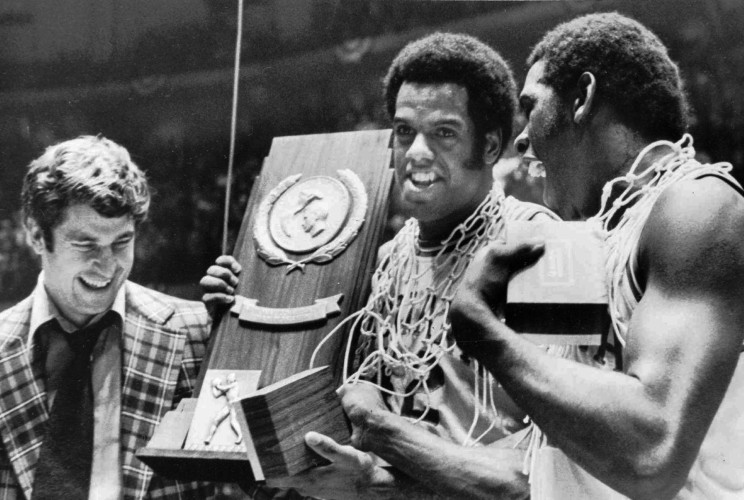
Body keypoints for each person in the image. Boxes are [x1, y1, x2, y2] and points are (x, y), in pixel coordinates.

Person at [203, 32, 562, 499]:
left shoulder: (537, 248)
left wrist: (375, 475)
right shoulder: (391, 258)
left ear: (491, 146)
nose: (415, 152)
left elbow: (552, 470)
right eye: (405, 130)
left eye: (444, 133)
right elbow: (349, 428)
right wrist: (235, 332)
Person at [449, 12, 744, 499]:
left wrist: (482, 333)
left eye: (531, 106)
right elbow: (540, 466)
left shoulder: (697, 208)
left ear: (582, 98)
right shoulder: (602, 233)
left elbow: (651, 455)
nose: (522, 138)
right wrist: (378, 463)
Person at [0, 136, 216, 499]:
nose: (108, 265)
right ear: (37, 235)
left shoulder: (196, 331)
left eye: (121, 242)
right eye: (85, 245)